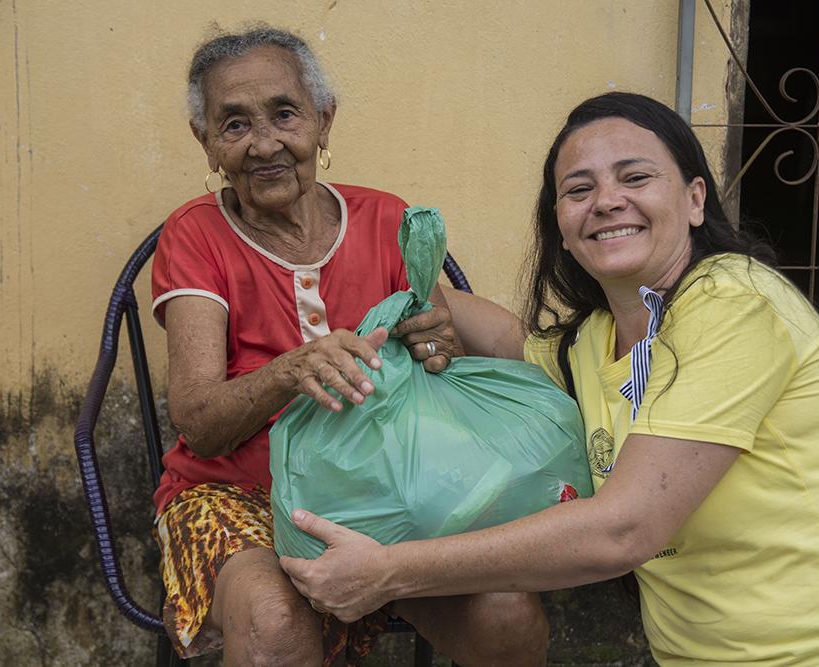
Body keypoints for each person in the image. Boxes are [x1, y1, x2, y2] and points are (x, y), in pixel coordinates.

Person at [280, 92, 819, 666]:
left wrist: (391, 569)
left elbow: (624, 529)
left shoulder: (735, 303)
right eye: (579, 190)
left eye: (635, 178)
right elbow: (514, 340)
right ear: (564, 229)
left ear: (695, 199)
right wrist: (424, 303)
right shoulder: (597, 341)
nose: (606, 200)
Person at [151, 25, 548, 666]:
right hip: (236, 494)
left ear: (323, 120)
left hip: (390, 489)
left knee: (507, 614)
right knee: (277, 623)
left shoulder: (389, 219)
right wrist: (291, 370)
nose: (264, 143)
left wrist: (439, 345)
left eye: (285, 113)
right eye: (234, 124)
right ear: (207, 142)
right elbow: (200, 423)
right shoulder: (195, 236)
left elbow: (441, 367)